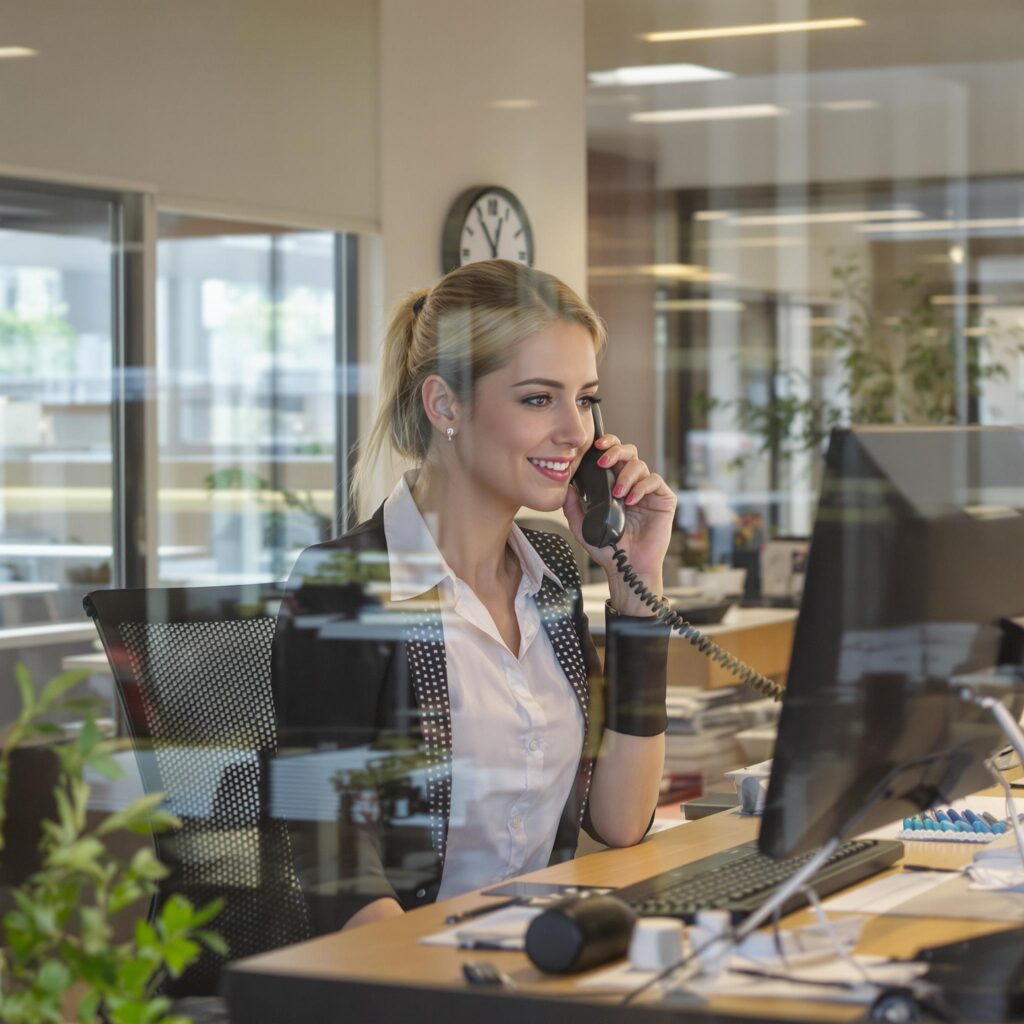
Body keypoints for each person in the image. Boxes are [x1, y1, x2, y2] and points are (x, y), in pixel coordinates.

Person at [271, 259, 676, 933]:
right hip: (414, 982)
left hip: (540, 959)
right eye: (538, 399)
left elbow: (621, 820)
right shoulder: (343, 590)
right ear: (444, 405)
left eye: (584, 399)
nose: (577, 433)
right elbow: (338, 874)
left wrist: (637, 583)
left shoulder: (551, 571)